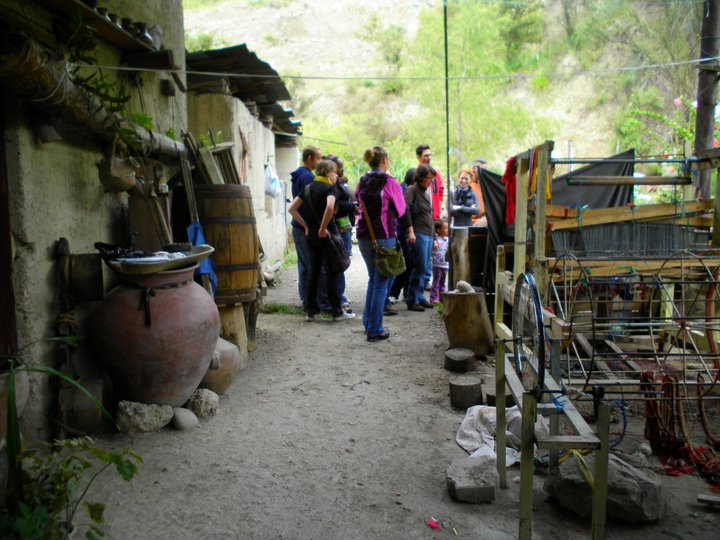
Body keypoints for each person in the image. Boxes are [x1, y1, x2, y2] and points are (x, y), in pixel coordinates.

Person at [356, 146, 413, 342]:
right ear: (384, 160)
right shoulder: (390, 182)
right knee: (381, 281)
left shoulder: (362, 181)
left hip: (364, 236)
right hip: (384, 236)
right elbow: (401, 210)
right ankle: (375, 329)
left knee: (374, 279)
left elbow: (358, 202)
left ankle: (368, 322)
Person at [288, 159, 355, 323]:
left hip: (311, 235)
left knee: (313, 271)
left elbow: (292, 208)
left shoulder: (308, 187)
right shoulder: (329, 187)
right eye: (335, 173)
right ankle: (336, 311)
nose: (336, 176)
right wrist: (323, 227)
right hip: (327, 234)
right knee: (333, 271)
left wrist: (305, 225)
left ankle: (310, 311)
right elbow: (330, 207)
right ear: (327, 172)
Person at [406, 144, 444, 290]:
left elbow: (440, 190)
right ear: (418, 157)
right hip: (418, 226)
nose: (428, 158)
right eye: (425, 155)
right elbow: (406, 208)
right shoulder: (414, 186)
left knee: (428, 258)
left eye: (430, 155)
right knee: (419, 263)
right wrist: (410, 230)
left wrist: (438, 204)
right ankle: (414, 294)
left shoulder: (434, 175)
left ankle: (423, 288)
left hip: (431, 221)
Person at [290, 146, 322, 305]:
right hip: (304, 226)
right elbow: (311, 204)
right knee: (311, 265)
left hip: (298, 226)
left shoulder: (298, 174)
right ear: (310, 158)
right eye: (318, 158)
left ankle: (306, 299)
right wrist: (308, 225)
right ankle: (311, 301)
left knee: (303, 265)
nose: (320, 162)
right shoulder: (307, 177)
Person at [404, 164, 435, 312]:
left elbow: (428, 215)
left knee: (425, 267)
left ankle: (420, 296)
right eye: (429, 178)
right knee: (419, 266)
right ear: (421, 177)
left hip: (428, 233)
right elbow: (405, 210)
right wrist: (410, 231)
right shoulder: (412, 190)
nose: (431, 181)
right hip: (418, 232)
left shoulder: (425, 192)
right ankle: (412, 299)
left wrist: (434, 237)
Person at [430, 219, 449, 305]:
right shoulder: (435, 240)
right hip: (437, 265)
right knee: (436, 282)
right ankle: (434, 298)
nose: (447, 230)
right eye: (445, 228)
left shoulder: (447, 240)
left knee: (442, 282)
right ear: (438, 230)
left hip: (445, 265)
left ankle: (442, 297)